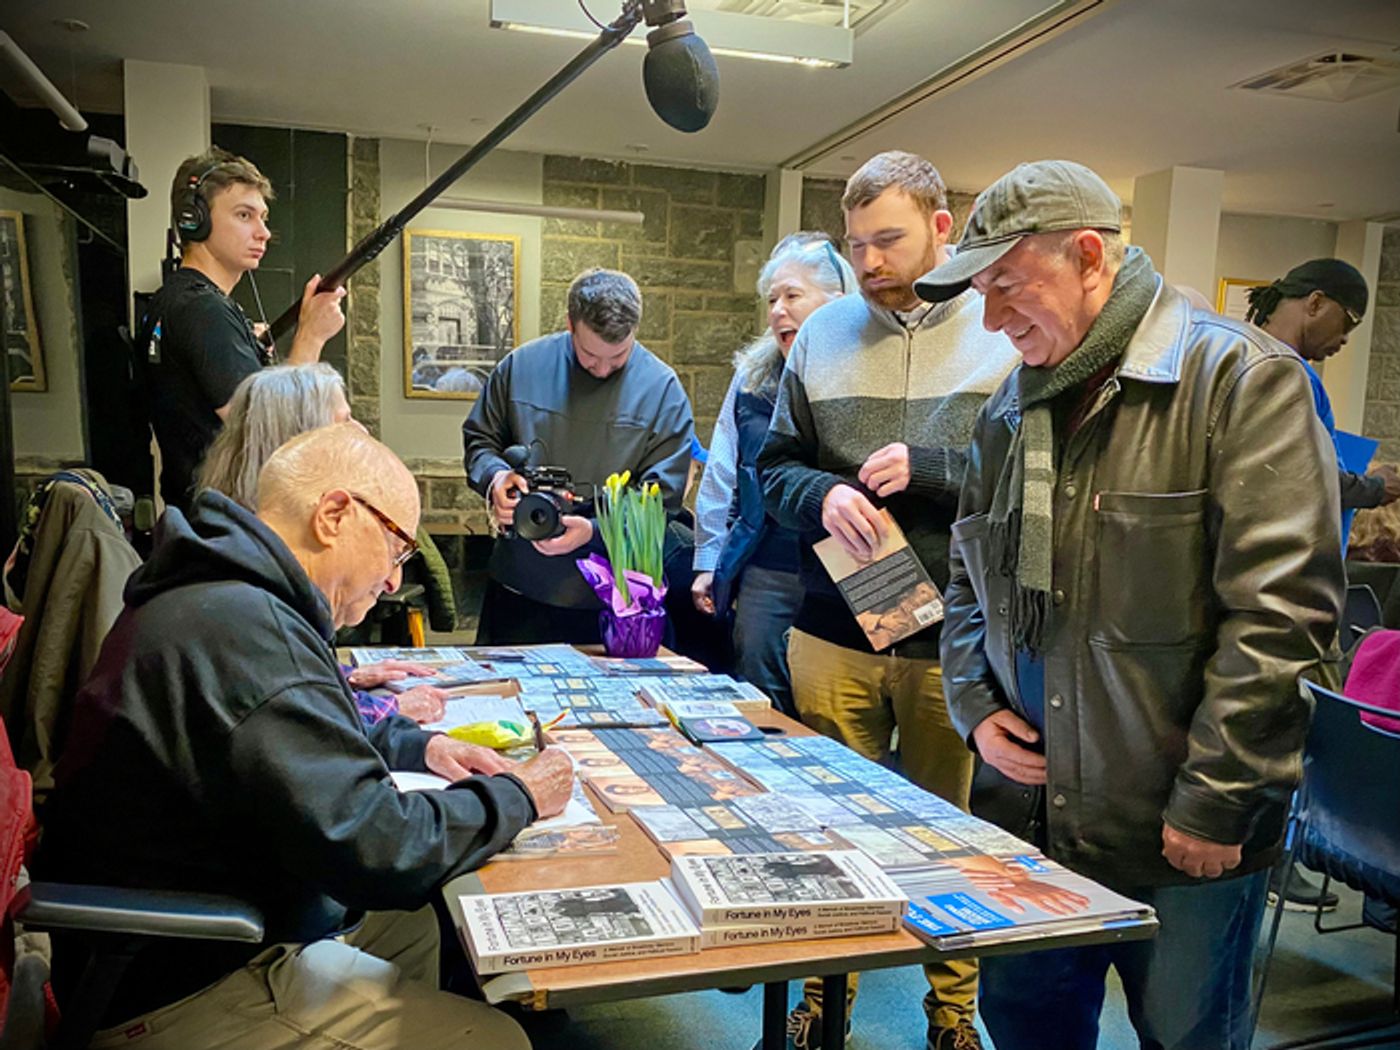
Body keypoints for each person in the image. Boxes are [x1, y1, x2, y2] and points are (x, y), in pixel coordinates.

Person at [921, 160, 1344, 1050]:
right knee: (1028, 1033)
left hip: (1179, 833)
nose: (992, 321)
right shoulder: (1009, 408)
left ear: (1088, 256)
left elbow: (1281, 620)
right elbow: (968, 580)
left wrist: (1217, 802)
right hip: (1029, 820)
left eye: (1008, 286)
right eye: (981, 295)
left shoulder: (1242, 379)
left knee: (1187, 1039)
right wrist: (973, 707)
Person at [38, 423, 574, 1050]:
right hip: (177, 984)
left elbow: (305, 721)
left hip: (206, 919)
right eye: (397, 548)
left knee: (411, 927)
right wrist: (521, 795)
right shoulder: (248, 630)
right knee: (495, 1040)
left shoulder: (230, 593)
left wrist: (419, 745)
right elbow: (381, 847)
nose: (394, 580)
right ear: (335, 515)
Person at [759, 151, 1020, 1050]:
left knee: (950, 835)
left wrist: (936, 469)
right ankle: (822, 1003)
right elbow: (774, 469)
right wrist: (821, 494)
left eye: (889, 240)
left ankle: (952, 1017)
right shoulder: (822, 335)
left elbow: (1034, 478)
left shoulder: (1000, 330)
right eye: (855, 244)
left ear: (944, 229)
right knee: (828, 832)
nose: (869, 262)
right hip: (834, 630)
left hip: (957, 640)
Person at [1244, 257, 1390, 913]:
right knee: (1292, 724)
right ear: (1316, 302)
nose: (1344, 340)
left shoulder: (1247, 357)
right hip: (1291, 586)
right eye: (1346, 322)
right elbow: (1313, 475)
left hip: (1269, 578)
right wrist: (1379, 487)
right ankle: (1279, 861)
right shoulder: (1288, 373)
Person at [195, 363, 448, 725]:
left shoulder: (229, 542)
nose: (360, 432)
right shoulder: (247, 595)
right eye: (343, 422)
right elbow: (286, 706)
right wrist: (388, 710)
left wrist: (342, 678)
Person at [463, 268, 694, 645]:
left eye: (617, 357)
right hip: (519, 588)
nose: (602, 368)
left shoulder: (663, 391)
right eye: (589, 355)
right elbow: (480, 440)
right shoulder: (520, 368)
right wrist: (496, 479)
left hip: (615, 603)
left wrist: (595, 531)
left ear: (635, 330)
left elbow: (661, 501)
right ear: (570, 323)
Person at [691, 233, 856, 717]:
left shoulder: (865, 371)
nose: (778, 310)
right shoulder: (752, 379)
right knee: (759, 700)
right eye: (771, 300)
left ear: (837, 301)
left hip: (844, 569)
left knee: (833, 710)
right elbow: (722, 470)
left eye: (792, 296)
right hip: (768, 565)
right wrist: (709, 558)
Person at [139, 147, 348, 515]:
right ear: (194, 220)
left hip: (201, 519)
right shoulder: (203, 311)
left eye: (263, 217)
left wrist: (239, 344)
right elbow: (270, 435)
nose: (263, 233)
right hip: (224, 526)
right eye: (244, 215)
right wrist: (311, 336)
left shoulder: (178, 299)